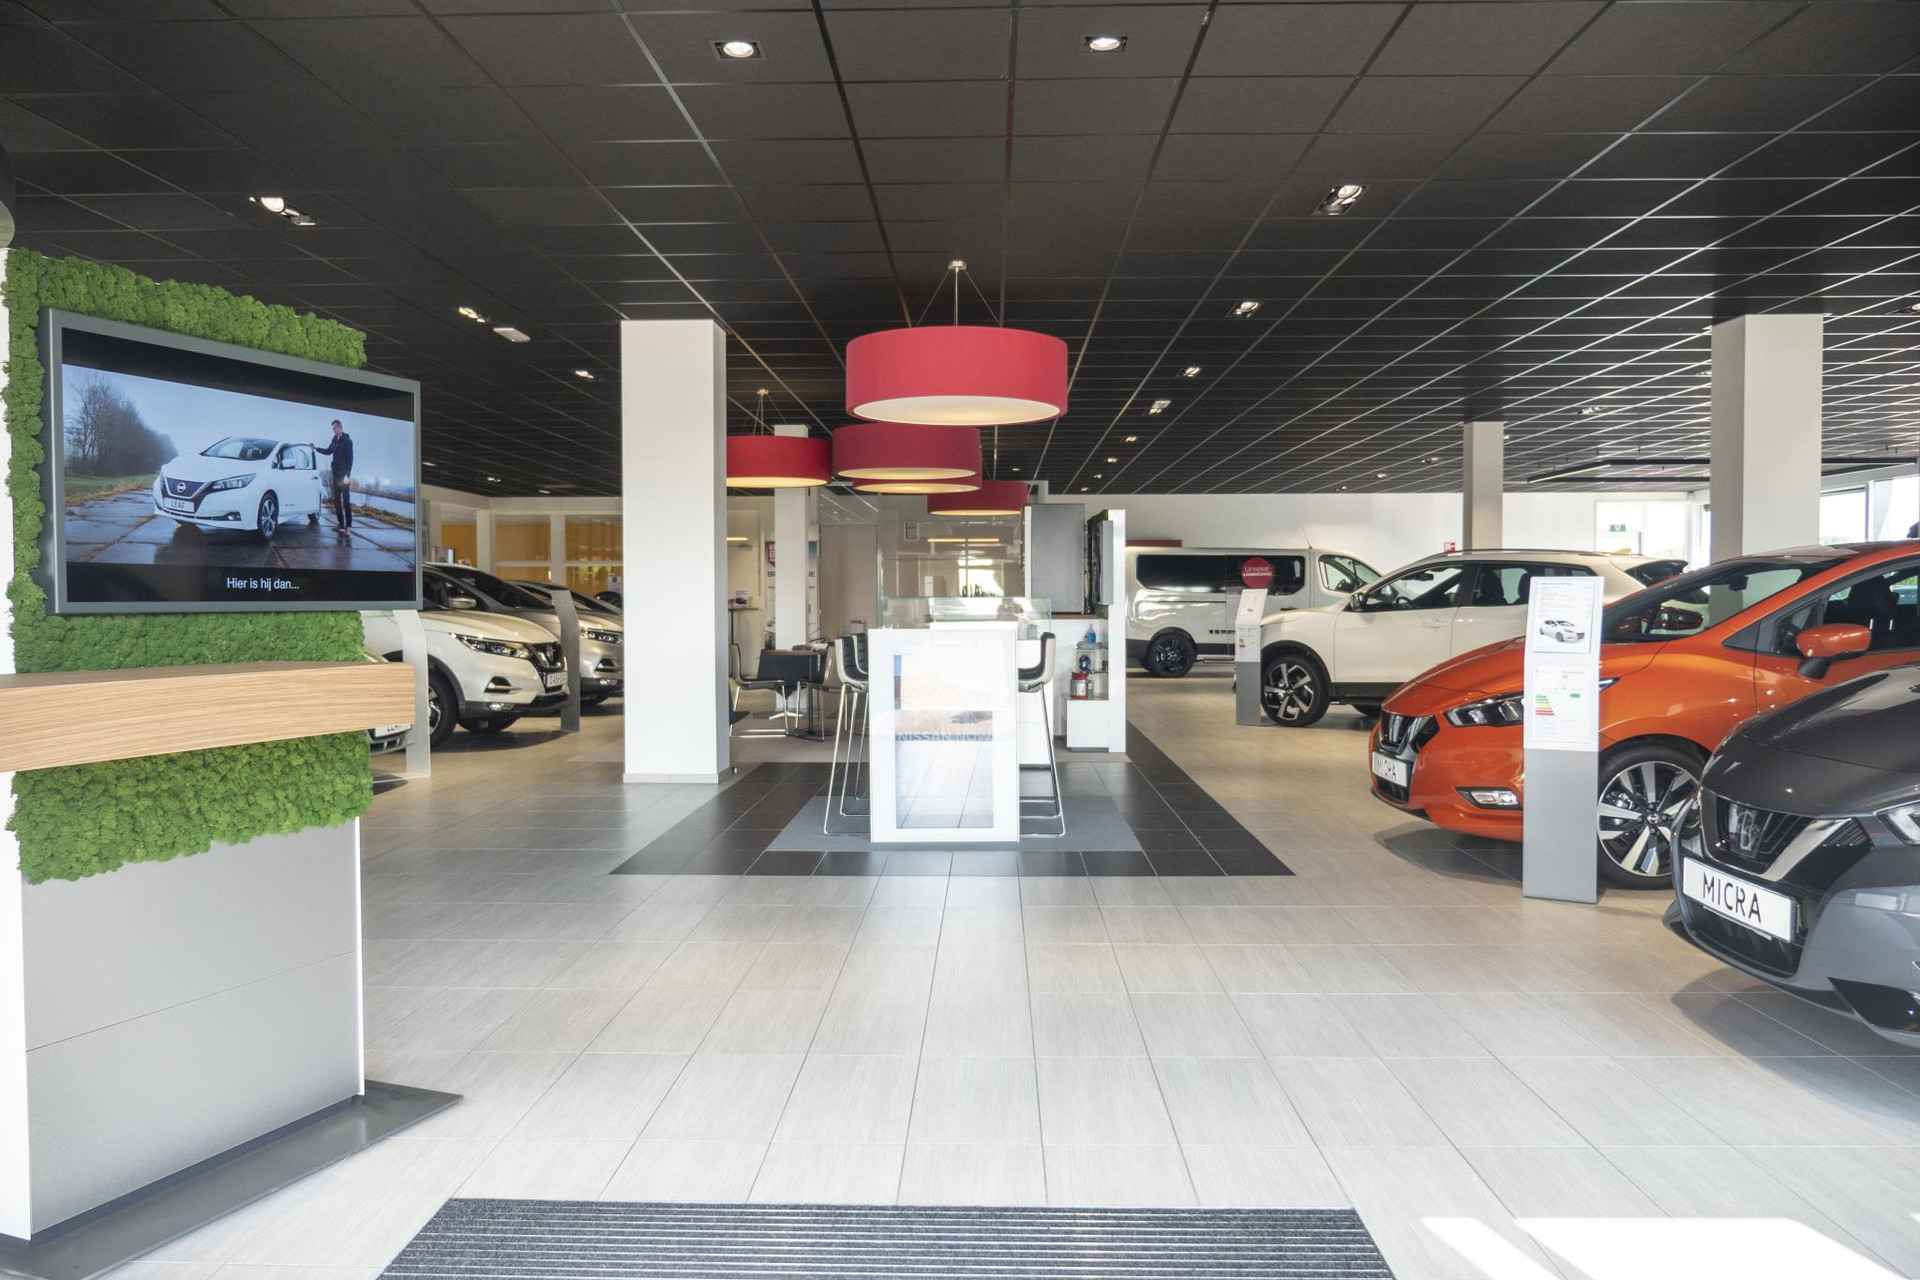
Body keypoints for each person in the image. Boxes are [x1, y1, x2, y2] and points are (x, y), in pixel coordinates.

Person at [313, 418, 354, 535]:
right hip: (335, 475)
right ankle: (341, 525)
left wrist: (347, 476)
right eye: (333, 429)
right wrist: (316, 448)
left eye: (335, 428)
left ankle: (348, 527)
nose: (334, 430)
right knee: (336, 501)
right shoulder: (334, 440)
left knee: (346, 501)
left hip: (344, 476)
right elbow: (328, 451)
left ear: (340, 427)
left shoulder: (347, 441)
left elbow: (350, 460)